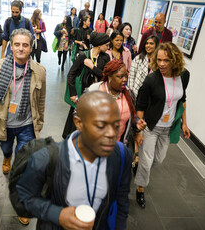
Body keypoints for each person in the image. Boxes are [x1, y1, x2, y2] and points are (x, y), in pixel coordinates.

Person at [17, 91, 132, 229]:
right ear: (79, 123)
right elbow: (25, 198)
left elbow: (122, 201)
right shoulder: (48, 158)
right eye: (101, 126)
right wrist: (57, 214)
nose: (112, 134)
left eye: (116, 125)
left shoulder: (121, 155)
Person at [0, 29, 45, 225]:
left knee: (23, 165)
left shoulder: (39, 71)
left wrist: (39, 123)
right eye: (17, 44)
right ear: (11, 45)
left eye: (25, 45)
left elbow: (41, 100)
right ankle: (7, 157)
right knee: (6, 148)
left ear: (31, 47)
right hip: (4, 124)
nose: (20, 48)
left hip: (27, 124)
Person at [134, 42, 190, 208]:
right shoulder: (152, 79)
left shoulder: (184, 76)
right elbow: (140, 105)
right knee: (147, 161)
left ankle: (138, 163)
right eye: (159, 60)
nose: (162, 64)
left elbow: (182, 100)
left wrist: (184, 123)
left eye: (166, 60)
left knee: (157, 160)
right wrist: (139, 125)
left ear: (175, 60)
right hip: (151, 126)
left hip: (168, 128)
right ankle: (140, 189)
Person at [62, 32, 110, 138]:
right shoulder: (83, 55)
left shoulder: (106, 58)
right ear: (99, 44)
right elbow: (71, 75)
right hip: (81, 94)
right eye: (106, 45)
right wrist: (73, 94)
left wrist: (92, 67)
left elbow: (105, 76)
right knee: (74, 120)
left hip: (96, 96)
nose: (108, 47)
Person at [87, 59, 146, 140]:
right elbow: (78, 114)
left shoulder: (129, 94)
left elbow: (132, 115)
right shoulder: (94, 91)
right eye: (120, 76)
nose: (125, 79)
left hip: (118, 144)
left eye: (126, 75)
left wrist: (137, 123)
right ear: (109, 77)